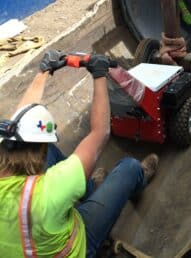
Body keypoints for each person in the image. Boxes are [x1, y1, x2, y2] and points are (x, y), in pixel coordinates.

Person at [0, 50, 159, 257]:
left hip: (30, 242)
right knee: (129, 167)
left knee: (51, 152)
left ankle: (92, 187)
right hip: (78, 247)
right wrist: (99, 73)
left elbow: (20, 121)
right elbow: (100, 133)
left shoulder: (9, 151)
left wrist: (43, 72)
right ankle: (138, 178)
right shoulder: (50, 190)